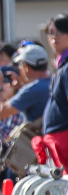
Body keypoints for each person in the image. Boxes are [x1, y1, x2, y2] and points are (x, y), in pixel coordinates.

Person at [0, 44, 51, 126]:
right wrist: (21, 87)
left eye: (20, 65)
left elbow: (1, 112)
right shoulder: (55, 80)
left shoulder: (30, 91)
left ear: (26, 67)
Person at [38, 14, 68, 170]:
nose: (55, 37)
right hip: (58, 138)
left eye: (61, 31)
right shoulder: (61, 65)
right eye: (51, 32)